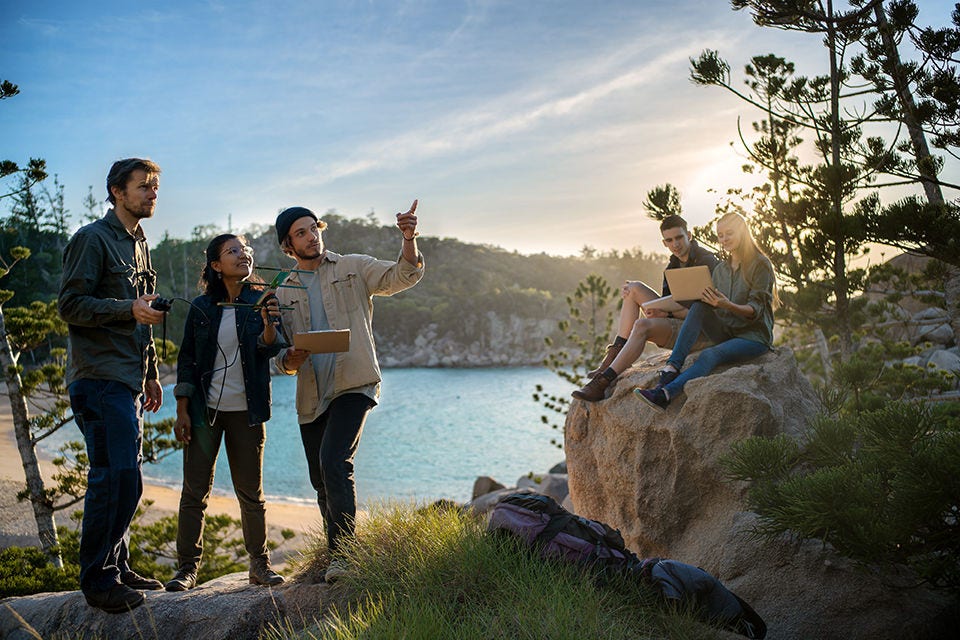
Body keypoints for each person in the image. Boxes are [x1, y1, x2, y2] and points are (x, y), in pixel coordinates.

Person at [273, 200, 424, 582]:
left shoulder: (353, 266)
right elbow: (277, 353)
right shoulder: (282, 290)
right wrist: (288, 358)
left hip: (355, 382)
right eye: (302, 233)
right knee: (320, 477)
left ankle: (345, 556)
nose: (312, 237)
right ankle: (335, 549)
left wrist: (408, 239)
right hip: (311, 394)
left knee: (334, 460)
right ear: (288, 246)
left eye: (314, 228)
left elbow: (402, 275)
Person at [58, 158, 166, 613]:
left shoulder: (139, 244)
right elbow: (70, 305)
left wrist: (152, 373)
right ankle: (99, 580)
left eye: (155, 187)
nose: (152, 193)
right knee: (115, 476)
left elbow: (143, 311)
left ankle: (117, 566)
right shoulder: (92, 239)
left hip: (128, 379)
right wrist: (127, 311)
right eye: (143, 186)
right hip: (99, 377)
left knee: (128, 477)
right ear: (117, 192)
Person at [165, 234, 286, 592]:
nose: (243, 255)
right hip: (205, 412)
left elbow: (270, 348)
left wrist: (268, 324)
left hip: (246, 413)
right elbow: (186, 359)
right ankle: (187, 568)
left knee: (251, 494)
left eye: (245, 250)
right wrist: (182, 409)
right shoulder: (202, 307)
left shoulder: (262, 300)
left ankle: (259, 565)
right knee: (194, 493)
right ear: (217, 265)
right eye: (233, 251)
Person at [635, 212, 777, 412]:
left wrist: (726, 305)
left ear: (743, 233)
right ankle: (671, 367)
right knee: (700, 305)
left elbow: (755, 311)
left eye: (730, 233)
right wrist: (664, 313)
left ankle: (665, 394)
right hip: (728, 331)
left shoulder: (760, 264)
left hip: (753, 337)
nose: (724, 239)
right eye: (720, 235)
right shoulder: (721, 269)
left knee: (710, 355)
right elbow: (706, 303)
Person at [572, 214, 718, 402]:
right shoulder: (671, 268)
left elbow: (704, 310)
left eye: (679, 237)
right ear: (664, 243)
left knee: (641, 325)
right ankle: (612, 356)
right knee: (633, 288)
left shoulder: (706, 261)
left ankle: (604, 380)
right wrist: (657, 310)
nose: (675, 244)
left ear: (689, 235)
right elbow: (670, 303)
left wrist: (666, 312)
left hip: (699, 330)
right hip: (677, 322)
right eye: (669, 240)